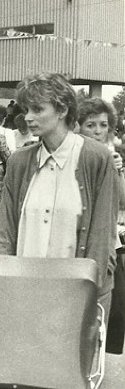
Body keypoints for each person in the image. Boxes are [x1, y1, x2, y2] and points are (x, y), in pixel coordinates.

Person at [0, 72, 118, 389]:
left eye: (36, 109)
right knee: (24, 366)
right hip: (26, 287)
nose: (27, 117)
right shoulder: (21, 160)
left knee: (72, 373)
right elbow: (5, 224)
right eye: (25, 109)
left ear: (62, 110)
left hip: (76, 288)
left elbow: (101, 232)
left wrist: (93, 290)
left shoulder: (96, 158)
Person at [76, 97, 125, 356]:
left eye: (103, 125)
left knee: (104, 314)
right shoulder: (74, 155)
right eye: (90, 124)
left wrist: (118, 170)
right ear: (78, 126)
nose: (97, 131)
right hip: (77, 242)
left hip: (107, 244)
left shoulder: (112, 157)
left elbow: (122, 201)